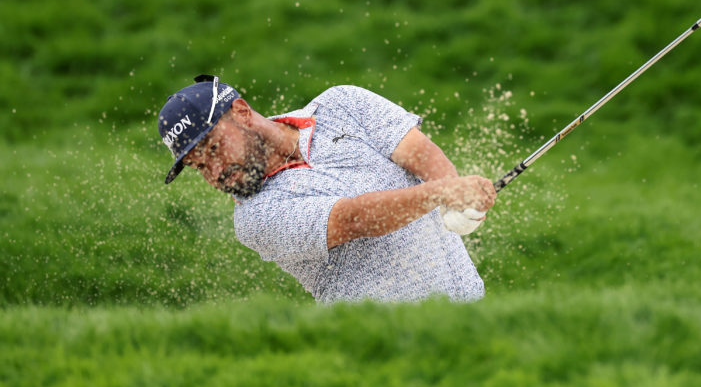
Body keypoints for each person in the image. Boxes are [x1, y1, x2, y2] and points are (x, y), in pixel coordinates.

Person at [158, 75, 497, 303]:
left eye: (214, 149)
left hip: (472, 314)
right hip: (385, 349)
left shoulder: (342, 104)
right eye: (199, 166)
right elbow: (354, 219)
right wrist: (440, 193)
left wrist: (454, 197)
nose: (215, 173)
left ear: (243, 113)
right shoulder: (254, 218)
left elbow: (418, 153)